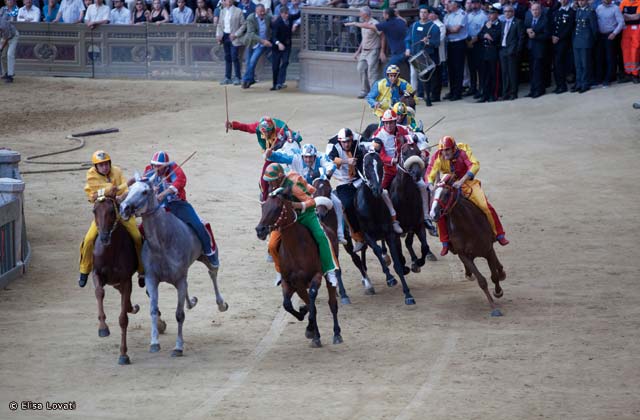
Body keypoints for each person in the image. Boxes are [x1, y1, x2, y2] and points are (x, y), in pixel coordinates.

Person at [426, 136, 509, 256]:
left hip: (467, 182)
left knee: (485, 206)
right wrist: (430, 185)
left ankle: (499, 233)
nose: (445, 153)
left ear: (453, 149)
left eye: (447, 150)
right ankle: (445, 242)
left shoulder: (463, 151)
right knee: (439, 209)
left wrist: (461, 181)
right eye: (443, 150)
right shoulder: (438, 156)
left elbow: (474, 165)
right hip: (448, 183)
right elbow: (430, 172)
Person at [263, 162, 340, 287]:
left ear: (281, 178)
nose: (271, 184)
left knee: (321, 236)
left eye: (272, 181)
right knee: (272, 244)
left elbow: (311, 201)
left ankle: (330, 270)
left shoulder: (294, 183)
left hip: (305, 215)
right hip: (286, 218)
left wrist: (296, 205)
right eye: (269, 181)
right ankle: (280, 271)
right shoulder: (273, 187)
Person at [78, 151, 145, 288]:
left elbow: (121, 192)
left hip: (120, 210)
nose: (105, 167)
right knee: (89, 239)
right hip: (103, 213)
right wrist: (119, 187)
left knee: (137, 237)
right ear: (96, 167)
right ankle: (84, 269)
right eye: (101, 165)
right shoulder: (91, 175)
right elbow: (94, 195)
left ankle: (142, 270)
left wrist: (122, 192)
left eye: (106, 164)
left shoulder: (117, 171)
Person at [143, 151, 219, 267]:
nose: (156, 168)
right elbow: (142, 184)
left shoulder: (174, 169)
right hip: (159, 208)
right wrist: (150, 188)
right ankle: (142, 264)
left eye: (159, 166)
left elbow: (180, 181)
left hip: (177, 204)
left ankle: (209, 254)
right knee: (142, 229)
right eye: (154, 165)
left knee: (198, 225)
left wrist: (163, 193)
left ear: (166, 165)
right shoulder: (149, 170)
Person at [266, 143, 347, 244]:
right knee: (280, 206)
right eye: (306, 157)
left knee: (338, 203)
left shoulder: (321, 157)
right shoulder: (296, 158)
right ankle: (275, 238)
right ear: (302, 156)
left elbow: (330, 164)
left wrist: (327, 172)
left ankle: (340, 233)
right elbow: (282, 157)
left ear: (315, 156)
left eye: (310, 157)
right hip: (299, 192)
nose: (308, 160)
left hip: (318, 190)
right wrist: (270, 154)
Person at [226, 116, 302, 201]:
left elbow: (298, 137)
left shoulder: (281, 130)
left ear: (272, 128)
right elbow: (247, 127)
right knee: (264, 178)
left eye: (268, 132)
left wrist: (290, 138)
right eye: (264, 132)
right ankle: (265, 199)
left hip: (283, 153)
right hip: (270, 155)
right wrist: (233, 125)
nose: (266, 134)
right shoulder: (258, 127)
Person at [327, 128, 367, 252]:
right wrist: (347, 161)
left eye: (349, 141)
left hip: (360, 179)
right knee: (348, 205)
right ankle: (358, 236)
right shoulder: (333, 147)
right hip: (344, 182)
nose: (347, 144)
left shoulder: (358, 141)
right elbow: (331, 159)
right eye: (344, 142)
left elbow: (368, 145)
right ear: (340, 141)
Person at [370, 109, 408, 235]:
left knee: (421, 184)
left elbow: (415, 136)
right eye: (386, 123)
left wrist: (407, 140)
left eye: (391, 122)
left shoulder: (402, 129)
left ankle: (426, 216)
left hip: (404, 166)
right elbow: (381, 155)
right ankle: (386, 218)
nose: (389, 125)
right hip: (387, 170)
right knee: (380, 192)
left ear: (395, 121)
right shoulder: (377, 136)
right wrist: (393, 160)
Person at [405, 5, 441, 106]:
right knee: (413, 76)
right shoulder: (414, 25)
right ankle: (412, 98)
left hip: (427, 56)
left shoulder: (434, 27)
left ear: (429, 14)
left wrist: (428, 41)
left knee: (426, 77)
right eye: (421, 12)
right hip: (414, 54)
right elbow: (408, 39)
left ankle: (428, 97)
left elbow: (437, 43)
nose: (423, 14)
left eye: (425, 12)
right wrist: (407, 48)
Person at [238, 4, 272, 89]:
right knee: (249, 62)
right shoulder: (250, 18)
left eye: (263, 11)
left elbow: (273, 23)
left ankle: (245, 80)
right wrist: (263, 41)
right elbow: (251, 33)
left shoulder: (267, 17)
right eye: (260, 11)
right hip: (252, 42)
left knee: (252, 61)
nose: (262, 13)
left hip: (262, 44)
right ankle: (251, 79)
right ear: (256, 11)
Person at [353, 6, 381, 99]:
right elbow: (364, 39)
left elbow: (382, 35)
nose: (360, 14)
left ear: (365, 14)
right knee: (360, 68)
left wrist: (382, 51)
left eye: (361, 13)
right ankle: (364, 90)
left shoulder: (375, 23)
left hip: (373, 50)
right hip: (364, 51)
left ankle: (374, 93)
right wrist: (358, 51)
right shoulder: (363, 23)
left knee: (372, 72)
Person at [477, 3, 502, 102]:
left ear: (496, 14)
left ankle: (494, 95)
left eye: (492, 14)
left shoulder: (499, 25)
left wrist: (488, 30)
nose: (489, 16)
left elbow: (495, 38)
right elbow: (480, 35)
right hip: (485, 51)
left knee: (494, 75)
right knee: (485, 75)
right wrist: (485, 34)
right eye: (489, 14)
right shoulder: (487, 24)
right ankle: (485, 95)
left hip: (493, 51)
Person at [595, 0, 624, 87]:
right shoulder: (599, 8)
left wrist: (614, 33)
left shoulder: (615, 8)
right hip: (600, 35)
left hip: (610, 35)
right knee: (600, 58)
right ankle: (600, 78)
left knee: (610, 58)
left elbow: (621, 22)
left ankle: (609, 78)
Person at [499, 4, 525, 100]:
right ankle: (505, 93)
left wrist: (517, 50)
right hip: (503, 50)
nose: (507, 13)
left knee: (512, 73)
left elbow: (521, 38)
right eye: (505, 11)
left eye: (509, 11)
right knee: (504, 73)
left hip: (512, 51)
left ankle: (513, 93)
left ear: (513, 12)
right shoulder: (502, 22)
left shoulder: (518, 22)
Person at [525, 2, 551, 98]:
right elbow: (526, 29)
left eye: (536, 9)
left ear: (540, 10)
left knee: (538, 70)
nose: (535, 11)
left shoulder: (545, 20)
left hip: (540, 48)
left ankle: (540, 90)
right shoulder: (529, 19)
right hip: (531, 47)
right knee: (532, 70)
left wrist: (536, 36)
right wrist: (527, 30)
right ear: (530, 11)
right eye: (533, 10)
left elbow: (547, 35)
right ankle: (533, 89)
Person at [444, 0, 468, 101]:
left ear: (456, 4)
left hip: (459, 43)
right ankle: (452, 90)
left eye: (450, 3)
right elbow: (445, 30)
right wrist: (449, 30)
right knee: (451, 69)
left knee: (458, 69)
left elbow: (456, 30)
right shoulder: (447, 15)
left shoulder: (462, 14)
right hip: (450, 43)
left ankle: (458, 92)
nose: (448, 5)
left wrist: (448, 30)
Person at [216, 0, 244, 85]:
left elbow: (244, 24)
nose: (226, 1)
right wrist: (218, 35)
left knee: (235, 57)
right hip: (225, 36)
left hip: (234, 37)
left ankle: (237, 77)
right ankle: (227, 77)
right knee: (227, 57)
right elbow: (220, 25)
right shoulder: (222, 11)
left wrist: (236, 34)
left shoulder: (238, 11)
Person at [572, 0, 598, 92]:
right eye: (579, 1)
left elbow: (594, 28)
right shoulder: (578, 11)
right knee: (578, 65)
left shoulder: (590, 11)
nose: (581, 2)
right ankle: (578, 83)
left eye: (582, 0)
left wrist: (592, 41)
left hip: (586, 41)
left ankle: (585, 83)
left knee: (585, 64)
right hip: (577, 41)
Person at [271, 6, 298, 90]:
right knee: (275, 65)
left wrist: (304, 7)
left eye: (287, 13)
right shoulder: (276, 23)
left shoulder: (289, 17)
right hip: (277, 47)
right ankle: (275, 84)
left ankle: (280, 82)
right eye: (285, 14)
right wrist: (278, 43)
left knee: (285, 62)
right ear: (281, 14)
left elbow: (297, 15)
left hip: (287, 45)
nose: (287, 15)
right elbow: (273, 37)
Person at [551, 0, 575, 93]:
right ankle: (559, 85)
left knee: (561, 64)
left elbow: (569, 28)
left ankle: (563, 86)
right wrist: (553, 36)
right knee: (556, 65)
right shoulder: (557, 11)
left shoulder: (571, 12)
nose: (563, 1)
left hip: (564, 42)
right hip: (554, 42)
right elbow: (553, 25)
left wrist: (559, 37)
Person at [466, 0, 488, 99]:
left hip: (479, 42)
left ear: (479, 4)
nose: (474, 5)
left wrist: (474, 40)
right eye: (472, 3)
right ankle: (473, 87)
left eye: (476, 3)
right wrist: (468, 41)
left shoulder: (483, 16)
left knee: (480, 68)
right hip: (469, 42)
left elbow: (483, 30)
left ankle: (481, 88)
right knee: (471, 67)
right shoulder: (468, 15)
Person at [429, 6, 446, 103]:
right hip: (430, 52)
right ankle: (432, 93)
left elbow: (439, 40)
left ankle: (436, 95)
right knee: (432, 74)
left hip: (438, 53)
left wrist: (429, 40)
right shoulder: (429, 24)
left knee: (437, 74)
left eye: (431, 13)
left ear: (435, 15)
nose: (430, 15)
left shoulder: (440, 25)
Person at [620, 0, 640, 83]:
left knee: (635, 50)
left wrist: (626, 16)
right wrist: (632, 16)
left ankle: (635, 74)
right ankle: (628, 73)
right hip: (625, 29)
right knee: (626, 51)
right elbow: (620, 16)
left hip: (637, 28)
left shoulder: (639, 2)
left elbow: (638, 16)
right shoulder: (623, 3)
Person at [0, 0, 18, 84]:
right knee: (3, 56)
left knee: (9, 54)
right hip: (5, 36)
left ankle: (10, 76)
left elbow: (6, 38)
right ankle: (5, 73)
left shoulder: (2, 24)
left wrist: (1, 48)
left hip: (13, 36)